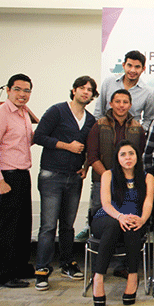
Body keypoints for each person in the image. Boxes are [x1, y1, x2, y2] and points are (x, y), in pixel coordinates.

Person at [32, 76, 97, 291]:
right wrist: (66, 146)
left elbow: (89, 147)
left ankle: (67, 264)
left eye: (90, 90)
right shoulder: (57, 111)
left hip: (74, 177)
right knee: (49, 226)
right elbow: (39, 136)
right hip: (52, 175)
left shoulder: (90, 120)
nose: (86, 92)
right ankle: (42, 269)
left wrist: (86, 166)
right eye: (82, 88)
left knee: (68, 225)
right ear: (74, 90)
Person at [0, 74, 34, 288]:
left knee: (23, 225)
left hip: (21, 174)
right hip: (5, 176)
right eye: (18, 89)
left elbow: (23, 142)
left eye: (27, 90)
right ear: (8, 90)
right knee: (6, 227)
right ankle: (3, 275)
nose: (22, 94)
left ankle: (20, 268)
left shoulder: (24, 113)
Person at [90, 140, 154, 306]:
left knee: (132, 226)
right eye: (123, 154)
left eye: (131, 154)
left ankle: (132, 277)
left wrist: (142, 219)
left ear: (137, 156)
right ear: (117, 158)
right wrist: (119, 217)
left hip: (134, 219)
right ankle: (98, 277)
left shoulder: (148, 177)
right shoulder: (108, 175)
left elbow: (148, 203)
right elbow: (106, 203)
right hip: (107, 218)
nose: (128, 158)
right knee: (114, 225)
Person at [86, 89, 146, 226]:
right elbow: (92, 156)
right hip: (101, 180)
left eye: (125, 102)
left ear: (130, 105)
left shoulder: (137, 128)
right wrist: (108, 177)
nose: (121, 105)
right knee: (100, 218)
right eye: (117, 101)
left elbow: (140, 155)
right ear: (110, 104)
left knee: (128, 219)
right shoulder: (99, 125)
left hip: (129, 183)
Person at [94, 50, 154, 129]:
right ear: (123, 65)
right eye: (129, 65)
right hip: (106, 131)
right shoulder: (109, 82)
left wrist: (139, 132)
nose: (132, 70)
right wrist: (100, 129)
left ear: (143, 69)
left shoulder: (148, 92)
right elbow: (99, 111)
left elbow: (149, 119)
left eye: (137, 67)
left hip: (132, 133)